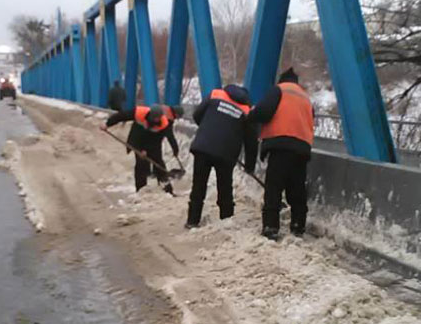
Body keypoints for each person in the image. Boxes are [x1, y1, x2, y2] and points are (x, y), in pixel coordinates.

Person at [248, 67, 314, 240]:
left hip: (281, 145)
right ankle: (298, 226)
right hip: (302, 148)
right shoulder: (305, 96)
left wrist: (250, 117)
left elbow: (263, 111)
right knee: (297, 188)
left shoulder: (279, 90)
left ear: (282, 80)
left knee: (274, 187)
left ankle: (271, 226)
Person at [186, 84, 257, 228]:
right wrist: (250, 166)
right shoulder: (247, 111)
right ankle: (227, 223)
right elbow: (251, 142)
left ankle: (192, 221)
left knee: (198, 186)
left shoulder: (215, 95)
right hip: (225, 153)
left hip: (203, 148)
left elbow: (196, 115)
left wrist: (207, 129)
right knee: (225, 189)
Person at [104, 104, 179, 193]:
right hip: (137, 138)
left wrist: (175, 149)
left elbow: (170, 137)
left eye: (158, 119)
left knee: (159, 164)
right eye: (154, 118)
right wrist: (107, 124)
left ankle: (167, 190)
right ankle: (141, 191)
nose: (156, 120)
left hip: (154, 142)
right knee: (141, 165)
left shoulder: (164, 124)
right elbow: (121, 116)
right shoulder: (139, 113)